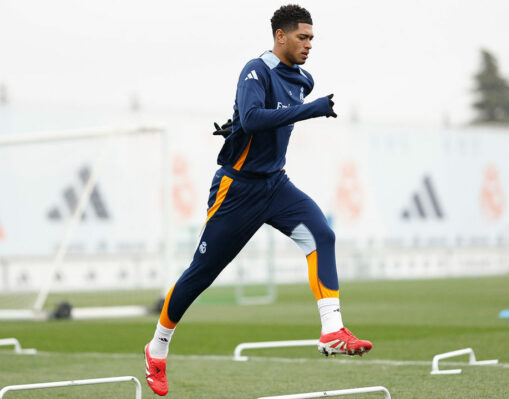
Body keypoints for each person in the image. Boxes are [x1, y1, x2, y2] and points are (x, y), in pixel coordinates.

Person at [144, 4, 372, 396]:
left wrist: (294, 107)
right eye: (302, 37)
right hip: (237, 191)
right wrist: (308, 111)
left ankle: (332, 330)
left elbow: (268, 113)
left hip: (276, 187)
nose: (309, 45)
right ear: (280, 36)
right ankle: (157, 347)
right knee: (201, 274)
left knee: (321, 235)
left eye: (312, 38)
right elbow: (250, 119)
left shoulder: (303, 79)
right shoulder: (255, 70)